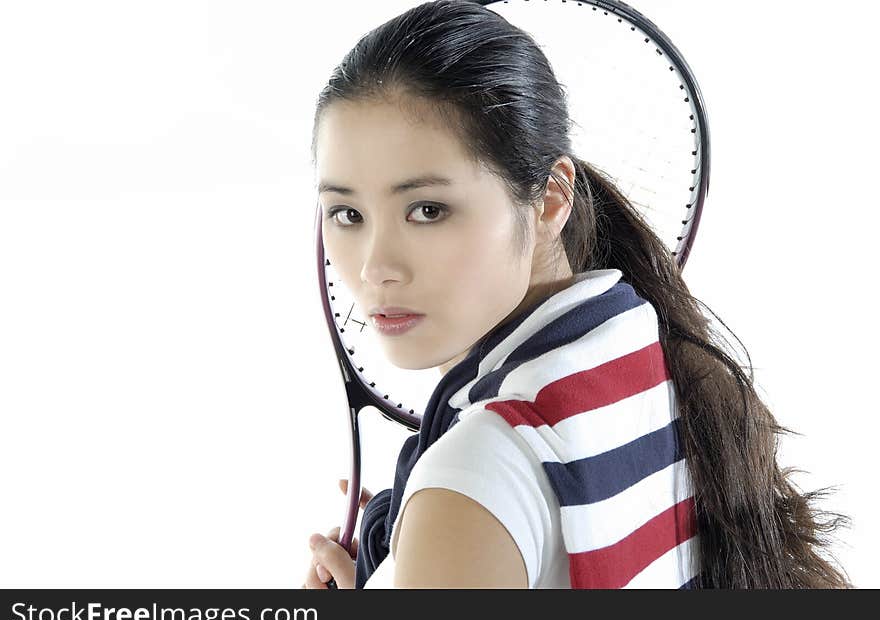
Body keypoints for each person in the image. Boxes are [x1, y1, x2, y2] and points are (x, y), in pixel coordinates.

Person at [302, 0, 852, 589]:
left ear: (550, 199)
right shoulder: (641, 349)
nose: (375, 267)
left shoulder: (469, 480)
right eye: (347, 213)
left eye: (427, 210)